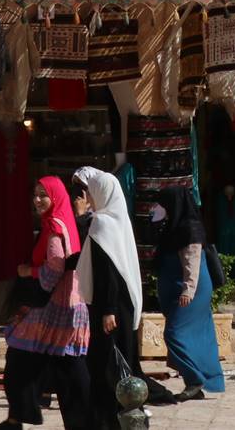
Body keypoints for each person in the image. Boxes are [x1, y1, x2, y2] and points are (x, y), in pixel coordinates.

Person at [0, 177, 91, 430]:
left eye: (43, 195)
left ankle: (20, 417)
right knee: (57, 365)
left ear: (55, 198)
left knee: (21, 358)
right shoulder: (60, 222)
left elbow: (55, 268)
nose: (37, 200)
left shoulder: (55, 226)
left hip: (55, 306)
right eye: (35, 194)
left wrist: (30, 273)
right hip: (66, 303)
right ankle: (19, 417)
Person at [75, 167, 151, 427]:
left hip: (110, 307)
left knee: (107, 364)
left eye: (90, 192)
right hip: (121, 305)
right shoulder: (118, 221)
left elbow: (107, 271)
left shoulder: (102, 223)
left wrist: (107, 310)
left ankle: (109, 420)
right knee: (120, 361)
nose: (87, 197)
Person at [152, 188, 225, 400]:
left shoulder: (189, 229)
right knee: (196, 337)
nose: (158, 209)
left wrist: (188, 290)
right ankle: (195, 385)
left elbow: (192, 263)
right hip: (177, 290)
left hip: (190, 291)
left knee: (174, 334)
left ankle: (195, 379)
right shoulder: (173, 227)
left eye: (162, 205)